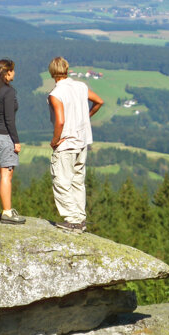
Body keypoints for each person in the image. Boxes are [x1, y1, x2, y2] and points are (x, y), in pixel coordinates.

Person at [47, 56, 104, 232]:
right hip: (82, 142)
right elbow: (99, 101)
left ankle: (72, 220)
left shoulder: (55, 94)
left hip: (66, 144)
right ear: (67, 69)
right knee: (78, 181)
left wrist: (55, 141)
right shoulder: (80, 86)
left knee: (61, 181)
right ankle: (80, 218)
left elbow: (61, 121)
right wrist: (85, 117)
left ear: (52, 73)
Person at [0, 58, 26, 224]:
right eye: (13, 70)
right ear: (8, 72)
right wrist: (15, 140)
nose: (14, 73)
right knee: (6, 176)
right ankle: (7, 213)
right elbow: (9, 119)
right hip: (4, 137)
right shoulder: (8, 92)